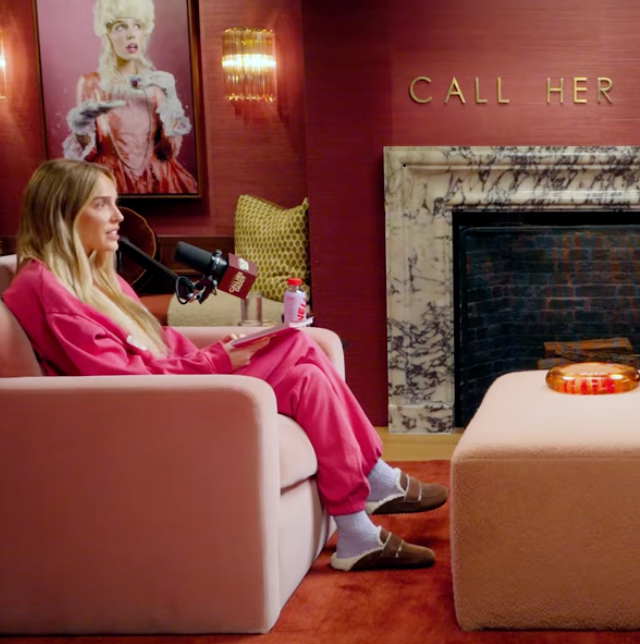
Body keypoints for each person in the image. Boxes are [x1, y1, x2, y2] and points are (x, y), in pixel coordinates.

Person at [3, 159, 444, 571]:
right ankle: (375, 479)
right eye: (102, 204)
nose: (118, 216)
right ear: (61, 214)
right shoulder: (46, 290)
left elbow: (159, 343)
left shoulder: (96, 278)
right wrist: (216, 360)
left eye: (115, 202)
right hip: (150, 407)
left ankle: (355, 534)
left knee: (307, 377)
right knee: (296, 341)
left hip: (170, 387)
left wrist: (216, 351)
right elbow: (121, 380)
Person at [62, 0, 197, 195]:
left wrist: (171, 97)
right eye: (121, 27)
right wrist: (79, 128)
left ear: (144, 32)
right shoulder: (91, 84)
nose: (131, 34)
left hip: (160, 182)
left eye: (137, 25)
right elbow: (89, 155)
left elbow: (168, 152)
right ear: (107, 34)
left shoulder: (156, 85)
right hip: (110, 183)